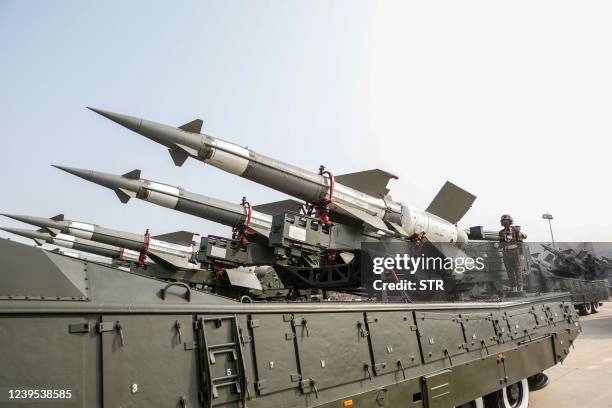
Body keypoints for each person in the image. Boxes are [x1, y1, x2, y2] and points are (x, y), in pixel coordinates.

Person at [498, 214, 527, 291]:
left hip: (515, 252)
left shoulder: (516, 230)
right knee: (509, 271)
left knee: (518, 270)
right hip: (506, 253)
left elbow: (520, 243)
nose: (505, 222)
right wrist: (500, 250)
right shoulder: (501, 232)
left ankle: (520, 287)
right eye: (503, 221)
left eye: (506, 220)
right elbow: (501, 244)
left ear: (510, 221)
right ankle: (513, 287)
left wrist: (521, 254)